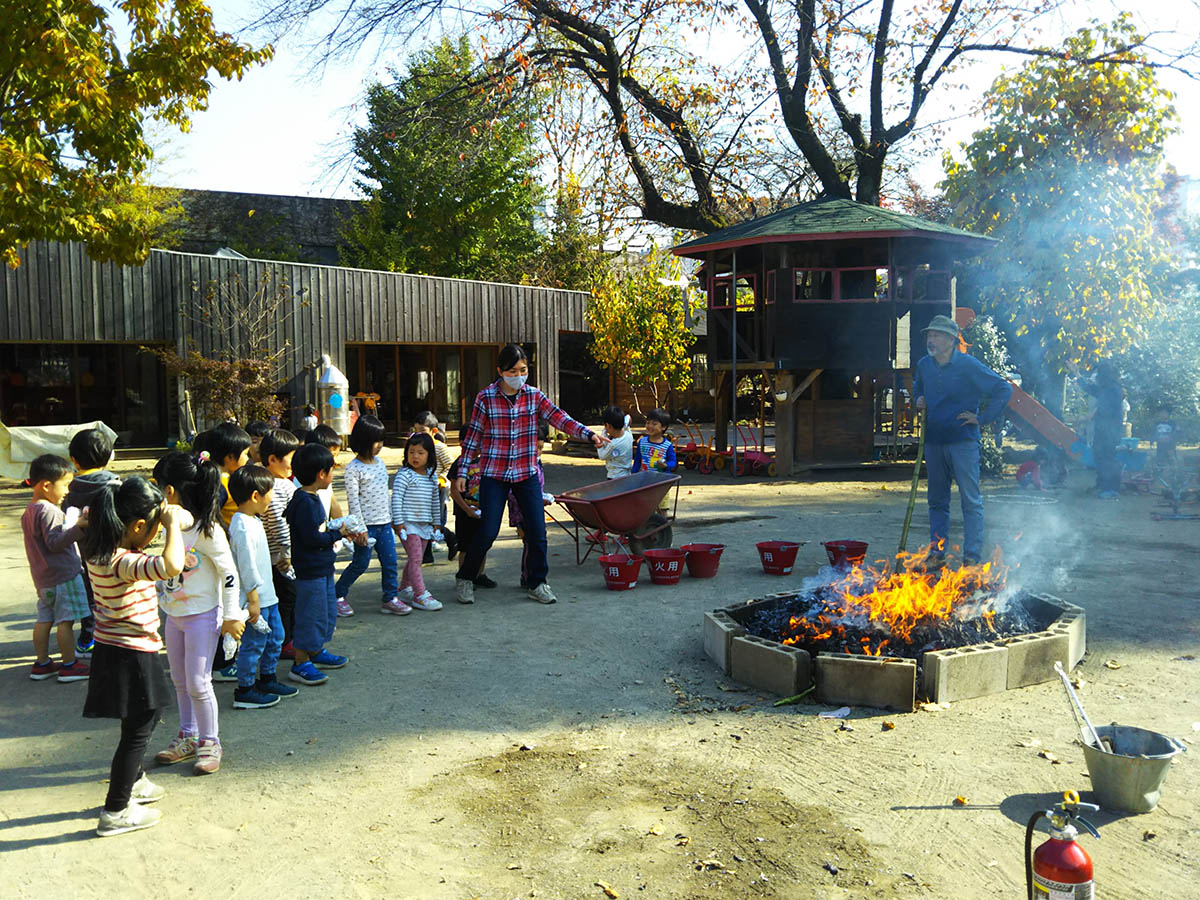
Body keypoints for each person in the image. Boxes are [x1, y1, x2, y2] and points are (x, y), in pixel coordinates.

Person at [453, 344, 607, 605]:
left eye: (523, 370)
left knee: (537, 532)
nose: (518, 375)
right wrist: (463, 471)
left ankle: (538, 583)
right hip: (495, 473)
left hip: (526, 473)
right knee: (488, 531)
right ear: (500, 371)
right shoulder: (486, 397)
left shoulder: (534, 396)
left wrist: (588, 434)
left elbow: (560, 418)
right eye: (512, 371)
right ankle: (466, 577)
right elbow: (473, 437)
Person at [81, 477, 184, 836]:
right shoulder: (125, 562)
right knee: (139, 729)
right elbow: (172, 565)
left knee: (141, 720)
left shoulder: (98, 549)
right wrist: (173, 526)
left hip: (114, 648)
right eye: (153, 529)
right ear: (137, 526)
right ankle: (116, 810)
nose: (156, 534)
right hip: (133, 651)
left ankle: (135, 781)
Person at [151, 451, 244, 776]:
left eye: (158, 486)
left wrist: (232, 616)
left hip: (204, 616)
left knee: (198, 682)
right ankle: (187, 736)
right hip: (174, 614)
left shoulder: (209, 531)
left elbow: (229, 573)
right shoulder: (171, 525)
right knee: (179, 680)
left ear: (171, 492)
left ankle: (210, 741)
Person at [913, 314, 1013, 565]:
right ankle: (937, 553)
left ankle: (972, 557)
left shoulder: (968, 365)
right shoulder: (925, 364)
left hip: (963, 442)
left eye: (936, 335)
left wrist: (983, 417)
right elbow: (918, 387)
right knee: (937, 500)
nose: (930, 339)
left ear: (951, 340)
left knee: (970, 500)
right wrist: (918, 399)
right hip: (934, 441)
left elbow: (1004, 389)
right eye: (929, 334)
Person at [285, 443, 355, 685]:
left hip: (321, 567)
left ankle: (316, 652)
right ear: (321, 474)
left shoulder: (310, 498)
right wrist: (339, 534)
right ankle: (300, 662)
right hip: (310, 570)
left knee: (324, 611)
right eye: (331, 471)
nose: (332, 475)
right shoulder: (304, 501)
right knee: (310, 615)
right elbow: (313, 538)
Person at [228, 464, 298, 709]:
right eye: (270, 492)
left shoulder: (253, 520)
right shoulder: (241, 526)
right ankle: (245, 688)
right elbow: (246, 566)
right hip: (255, 599)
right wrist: (253, 599)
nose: (272, 497)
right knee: (254, 643)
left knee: (275, 638)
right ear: (255, 496)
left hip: (268, 596)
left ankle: (267, 678)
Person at [22, 454, 90, 682]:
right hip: (63, 576)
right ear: (46, 485)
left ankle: (42, 664)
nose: (67, 492)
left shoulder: (29, 510)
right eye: (65, 485)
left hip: (43, 579)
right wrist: (79, 527)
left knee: (44, 619)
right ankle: (69, 665)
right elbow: (55, 542)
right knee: (66, 621)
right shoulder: (50, 511)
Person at [64, 427, 120, 656]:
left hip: (85, 552)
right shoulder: (116, 485)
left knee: (90, 595)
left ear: (74, 460)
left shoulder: (71, 489)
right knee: (116, 595)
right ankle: (116, 636)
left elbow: (66, 519)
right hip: (116, 551)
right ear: (109, 457)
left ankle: (88, 638)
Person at [336, 415, 399, 616]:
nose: (380, 445)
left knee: (390, 562)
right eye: (376, 441)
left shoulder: (380, 464)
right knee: (360, 564)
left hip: (384, 524)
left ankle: (390, 597)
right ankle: (337, 594)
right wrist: (360, 529)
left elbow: (384, 494)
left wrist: (393, 520)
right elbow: (353, 501)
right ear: (363, 441)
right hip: (366, 527)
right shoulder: (353, 469)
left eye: (382, 440)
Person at [391, 432, 445, 612]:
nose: (415, 456)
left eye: (420, 452)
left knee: (416, 558)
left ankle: (404, 588)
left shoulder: (431, 476)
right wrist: (398, 523)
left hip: (424, 525)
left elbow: (435, 502)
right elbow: (396, 499)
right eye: (412, 452)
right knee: (415, 558)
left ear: (429, 455)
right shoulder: (404, 475)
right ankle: (420, 595)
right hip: (408, 524)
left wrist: (437, 524)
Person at [259, 429, 302, 657]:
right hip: (279, 557)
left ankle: (288, 638)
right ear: (273, 459)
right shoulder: (274, 487)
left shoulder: (282, 482)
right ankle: (285, 642)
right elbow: (278, 523)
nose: (293, 464)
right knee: (287, 598)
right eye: (290, 459)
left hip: (281, 555)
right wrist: (287, 554)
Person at [1070, 360, 1123, 499]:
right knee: (1100, 458)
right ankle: (1102, 485)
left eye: (1098, 374)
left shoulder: (1113, 390)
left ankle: (1110, 489)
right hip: (1104, 430)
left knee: (1106, 459)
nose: (1096, 377)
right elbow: (1091, 389)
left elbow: (1103, 408)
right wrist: (1077, 374)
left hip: (1109, 432)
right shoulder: (1109, 388)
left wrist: (1087, 417)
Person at [448, 423, 491, 594]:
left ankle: (479, 574)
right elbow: (453, 491)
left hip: (483, 510)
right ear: (461, 444)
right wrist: (466, 509)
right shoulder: (458, 465)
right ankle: (465, 575)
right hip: (465, 512)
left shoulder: (486, 462)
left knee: (482, 544)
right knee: (465, 547)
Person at [412, 411, 457, 563]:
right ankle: (427, 555)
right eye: (416, 431)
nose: (419, 435)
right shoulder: (415, 446)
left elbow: (450, 465)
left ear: (434, 431)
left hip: (437, 489)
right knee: (421, 520)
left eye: (422, 431)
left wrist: (441, 479)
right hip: (420, 490)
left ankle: (450, 538)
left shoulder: (439, 447)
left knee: (432, 522)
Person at [631, 408, 678, 515]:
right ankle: (648, 528)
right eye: (648, 423)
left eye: (654, 424)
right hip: (645, 482)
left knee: (662, 509)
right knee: (645, 507)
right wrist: (633, 475)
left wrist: (666, 465)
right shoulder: (642, 442)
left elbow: (673, 462)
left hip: (661, 482)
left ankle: (663, 528)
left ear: (663, 427)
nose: (650, 426)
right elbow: (638, 460)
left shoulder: (667, 445)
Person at [597, 406, 634, 479]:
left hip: (614, 477)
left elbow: (602, 456)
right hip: (627, 475)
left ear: (608, 426)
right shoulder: (628, 434)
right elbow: (627, 418)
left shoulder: (613, 445)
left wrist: (600, 445)